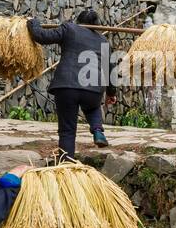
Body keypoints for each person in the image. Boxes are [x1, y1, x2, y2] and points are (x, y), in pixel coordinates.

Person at [28, 9, 115, 158]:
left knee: (67, 129)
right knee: (92, 107)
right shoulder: (104, 41)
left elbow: (41, 36)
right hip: (94, 89)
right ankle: (97, 131)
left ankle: (67, 163)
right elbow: (110, 70)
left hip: (67, 86)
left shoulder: (69, 29)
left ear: (78, 21)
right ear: (96, 25)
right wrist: (111, 93)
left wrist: (33, 23)